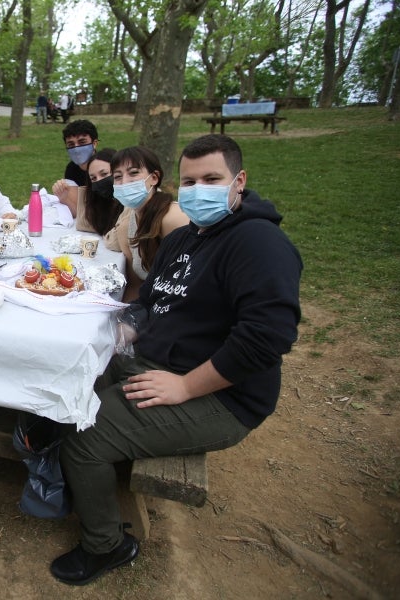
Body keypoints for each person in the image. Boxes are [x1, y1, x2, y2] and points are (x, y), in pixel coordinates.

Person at [49, 134, 302, 586]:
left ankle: (106, 545)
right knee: (68, 385)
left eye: (212, 179)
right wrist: (124, 329)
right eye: (190, 181)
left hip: (222, 396)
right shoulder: (183, 238)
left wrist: (185, 386)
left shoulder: (260, 243)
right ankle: (83, 484)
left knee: (85, 437)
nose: (198, 190)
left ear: (239, 181)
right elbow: (150, 301)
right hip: (154, 362)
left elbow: (266, 340)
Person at [107, 146, 189, 302]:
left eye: (133, 173)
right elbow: (135, 286)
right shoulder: (125, 229)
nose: (124, 182)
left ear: (154, 178)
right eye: (118, 176)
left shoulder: (174, 218)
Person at [51, 119, 99, 231]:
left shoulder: (105, 166)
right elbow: (78, 212)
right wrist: (64, 198)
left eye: (82, 142)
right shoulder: (72, 169)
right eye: (71, 144)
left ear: (94, 143)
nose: (76, 148)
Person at [82, 148, 124, 238]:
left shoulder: (132, 205)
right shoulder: (100, 203)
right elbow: (83, 224)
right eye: (93, 178)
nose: (99, 181)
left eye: (104, 174)